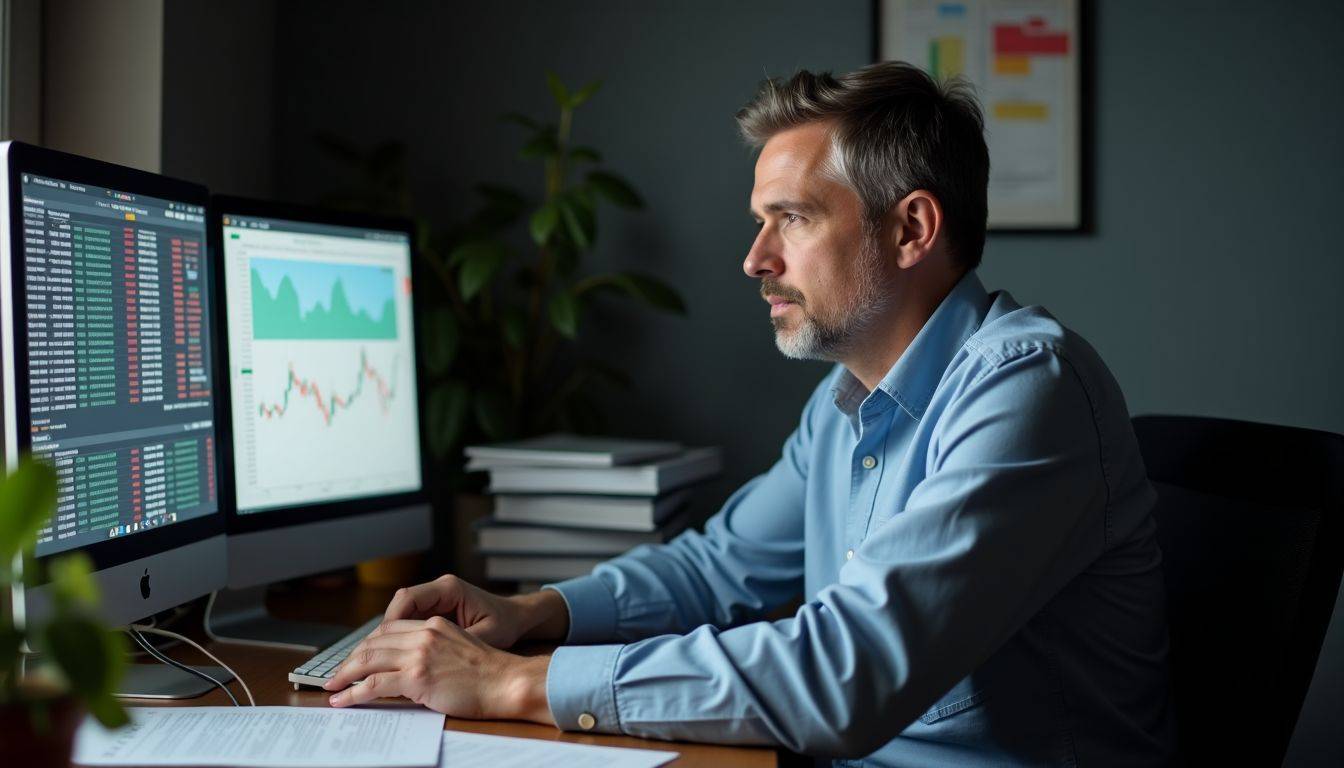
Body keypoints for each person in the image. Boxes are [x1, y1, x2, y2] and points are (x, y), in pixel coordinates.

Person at [325, 61, 1176, 766]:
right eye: (759, 223)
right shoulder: (845, 402)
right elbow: (718, 571)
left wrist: (514, 683)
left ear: (911, 229)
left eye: (792, 219)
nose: (754, 259)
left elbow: (844, 676)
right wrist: (534, 613)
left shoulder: (1027, 388)